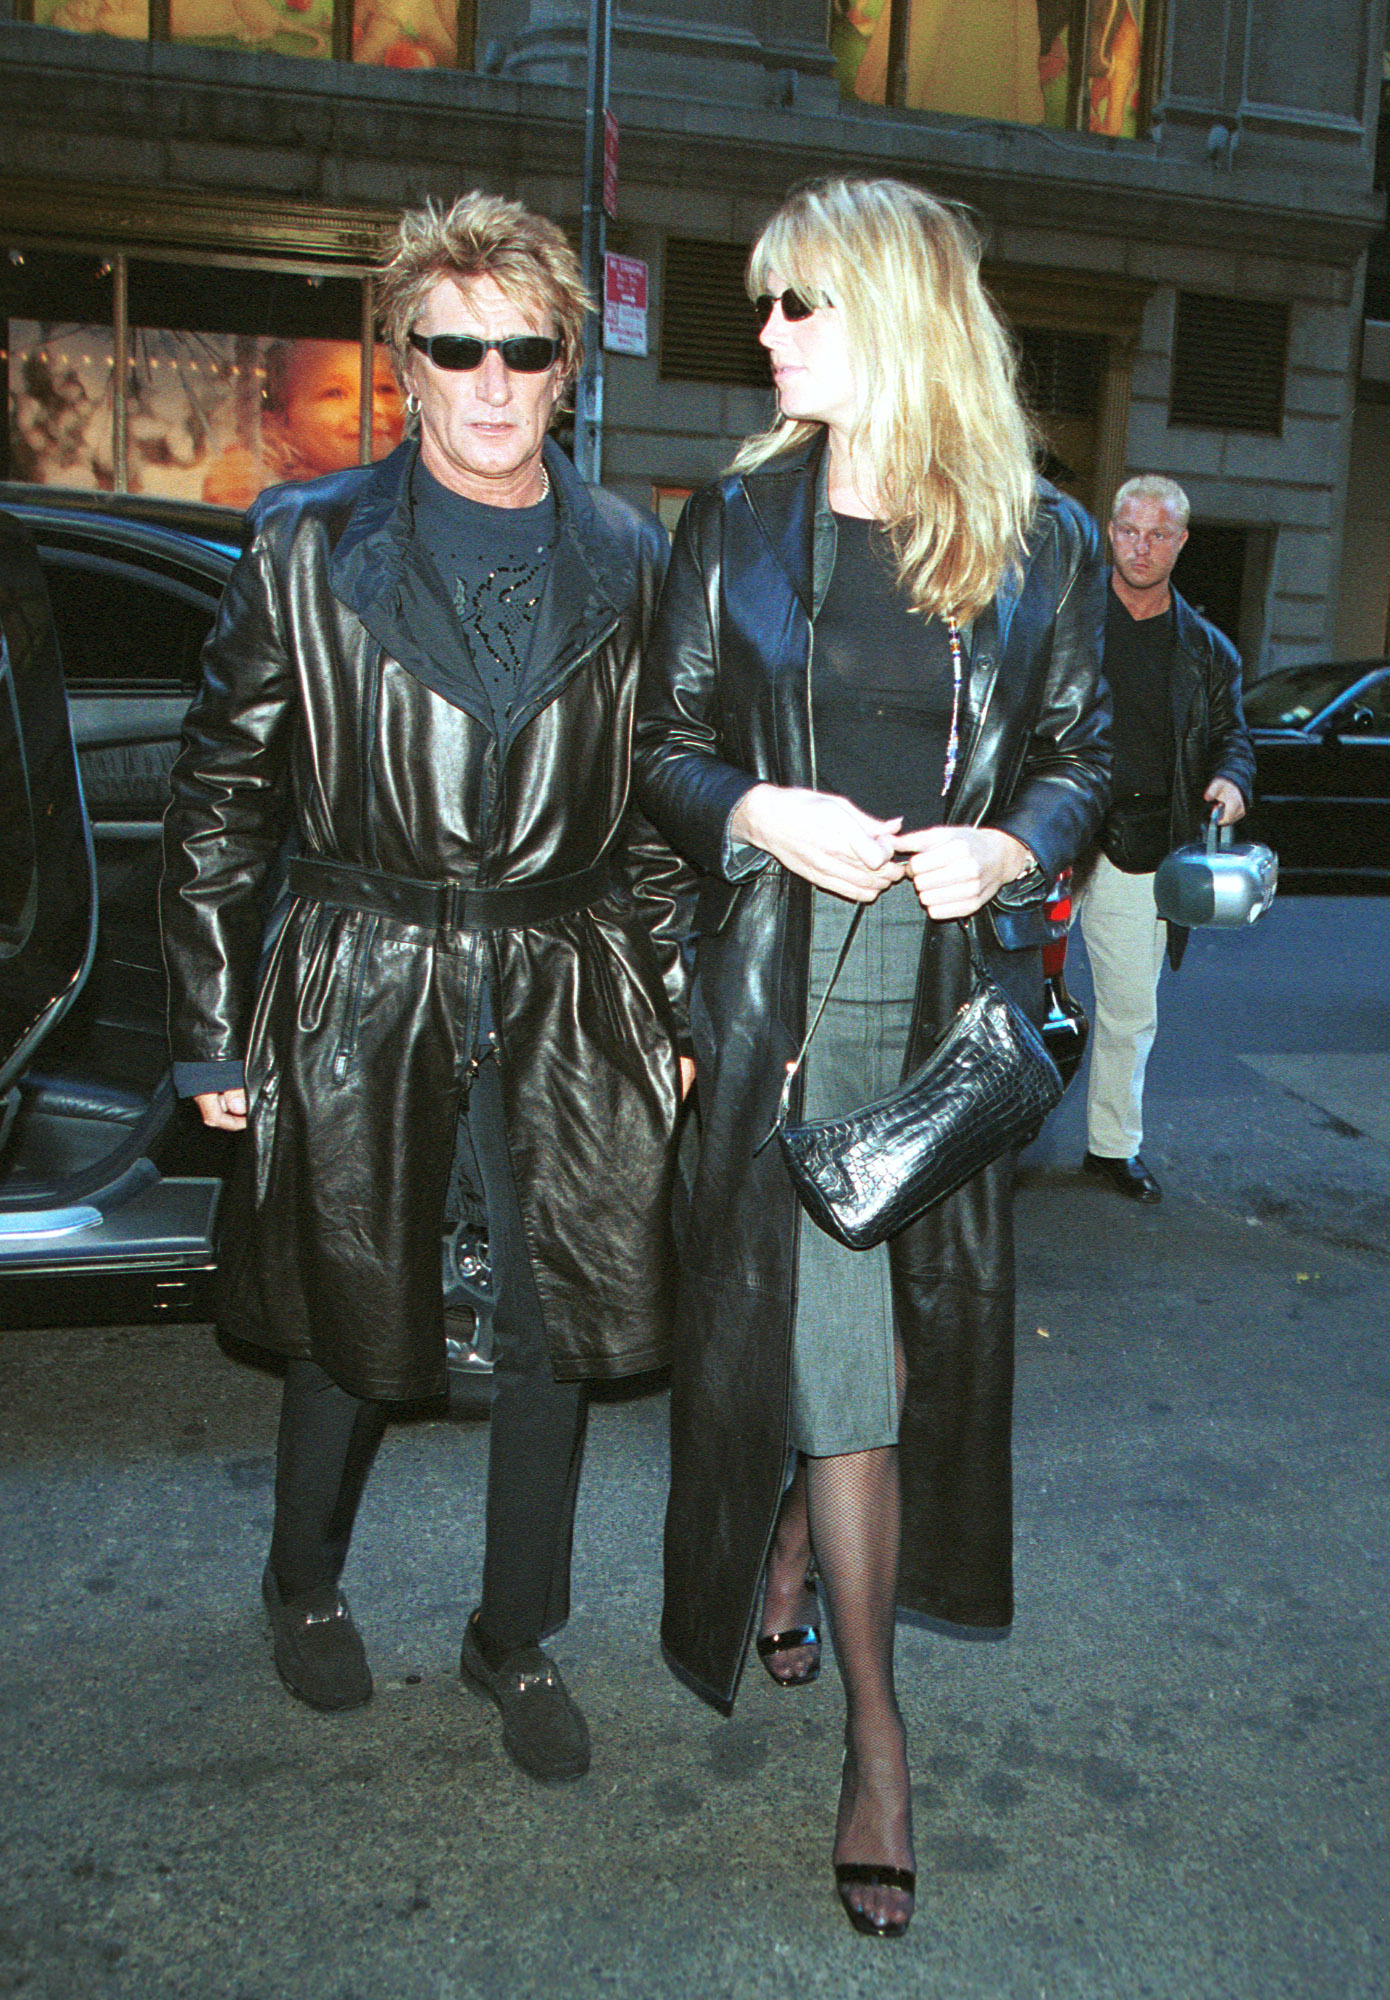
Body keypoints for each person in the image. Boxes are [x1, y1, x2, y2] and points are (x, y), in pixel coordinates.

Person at [160, 192, 694, 1781]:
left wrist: (665, 1008)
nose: (485, 379)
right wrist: (206, 1021)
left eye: (520, 349)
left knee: (557, 1325)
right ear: (404, 360)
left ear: (563, 368)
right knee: (347, 1308)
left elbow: (664, 813)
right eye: (452, 346)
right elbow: (218, 802)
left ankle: (509, 1635)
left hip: (563, 978)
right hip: (358, 974)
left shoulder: (629, 555)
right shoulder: (307, 544)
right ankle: (301, 1585)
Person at [633, 176, 1110, 1938]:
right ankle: (880, 1745)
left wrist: (1014, 845)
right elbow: (666, 747)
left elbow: (1083, 752)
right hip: (780, 1000)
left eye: (797, 304)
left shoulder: (1032, 537)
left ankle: (791, 1544)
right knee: (854, 1369)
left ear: (897, 313)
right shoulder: (738, 521)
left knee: (885, 1351)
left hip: (945, 1017)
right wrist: (757, 806)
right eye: (766, 305)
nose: (764, 334)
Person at [1074, 474, 1254, 1203]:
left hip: (1140, 843)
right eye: (1128, 531)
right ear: (1108, 531)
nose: (1140, 548)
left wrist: (1234, 781)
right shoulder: (1062, 618)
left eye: (1157, 536)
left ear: (1181, 543)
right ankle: (985, 1140)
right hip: (1048, 833)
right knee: (1002, 1000)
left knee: (1129, 1011)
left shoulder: (1208, 650)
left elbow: (1233, 738)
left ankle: (1111, 1147)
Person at [200, 338, 405, 509]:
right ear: (281, 418)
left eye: (385, 389)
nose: (372, 408)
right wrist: (232, 500)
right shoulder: (263, 495)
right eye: (334, 393)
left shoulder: (420, 488)